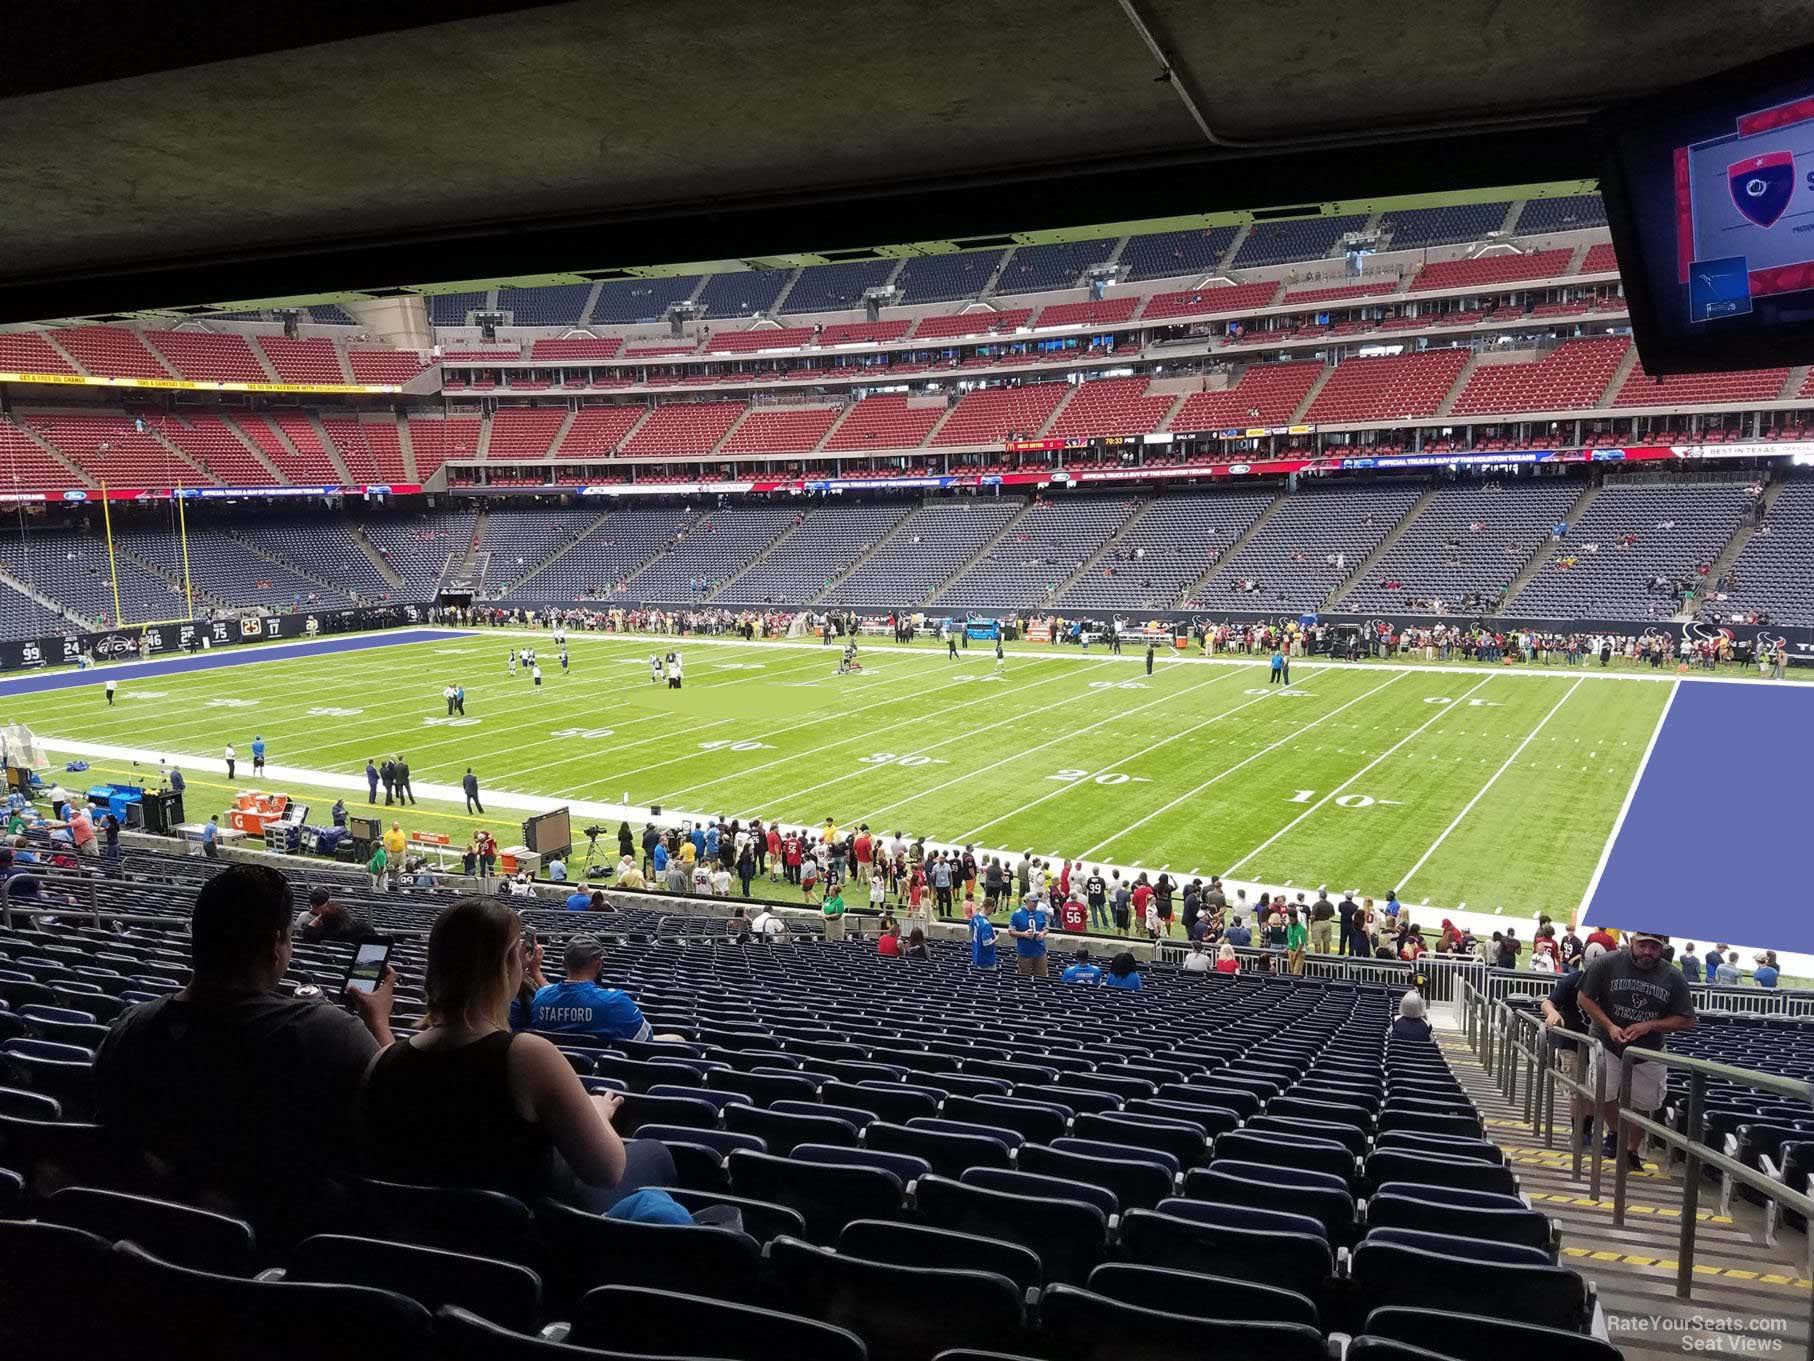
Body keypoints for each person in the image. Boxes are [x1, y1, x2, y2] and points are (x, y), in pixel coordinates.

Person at [94, 864, 395, 1234]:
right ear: (274, 946)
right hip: (289, 1258)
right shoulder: (330, 1033)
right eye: (288, 937)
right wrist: (379, 1024)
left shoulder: (130, 1029)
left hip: (149, 1248)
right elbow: (398, 1118)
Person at [359, 900, 675, 1212]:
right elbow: (607, 1172)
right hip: (522, 1243)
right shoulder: (526, 1055)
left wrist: (377, 1023)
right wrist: (598, 1111)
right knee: (654, 1152)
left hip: (419, 1242)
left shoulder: (381, 1062)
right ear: (506, 964)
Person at [1576, 931, 1697, 1171]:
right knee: (1604, 1092)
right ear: (1632, 942)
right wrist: (1609, 1026)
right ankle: (1617, 1134)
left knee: (1645, 1101)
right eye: (1643, 945)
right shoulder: (1607, 963)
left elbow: (1687, 1020)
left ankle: (1630, 1149)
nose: (1647, 952)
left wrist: (1650, 1025)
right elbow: (1584, 997)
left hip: (1648, 1049)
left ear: (1662, 948)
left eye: (1654, 947)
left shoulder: (1673, 976)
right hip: (1608, 1042)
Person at [530, 937, 655, 1043]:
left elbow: (548, 991)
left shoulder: (540, 998)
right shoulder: (615, 1001)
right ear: (599, 964)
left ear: (564, 964)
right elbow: (645, 1040)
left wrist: (535, 971)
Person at [1008, 895, 1050, 977]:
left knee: (1042, 975)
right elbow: (1011, 931)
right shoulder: (1017, 915)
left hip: (1040, 950)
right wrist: (1023, 934)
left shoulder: (1041, 914)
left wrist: (1042, 933)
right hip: (1025, 951)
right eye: (1033, 902)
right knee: (1024, 976)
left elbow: (1046, 928)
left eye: (1037, 902)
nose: (1035, 904)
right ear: (1026, 902)